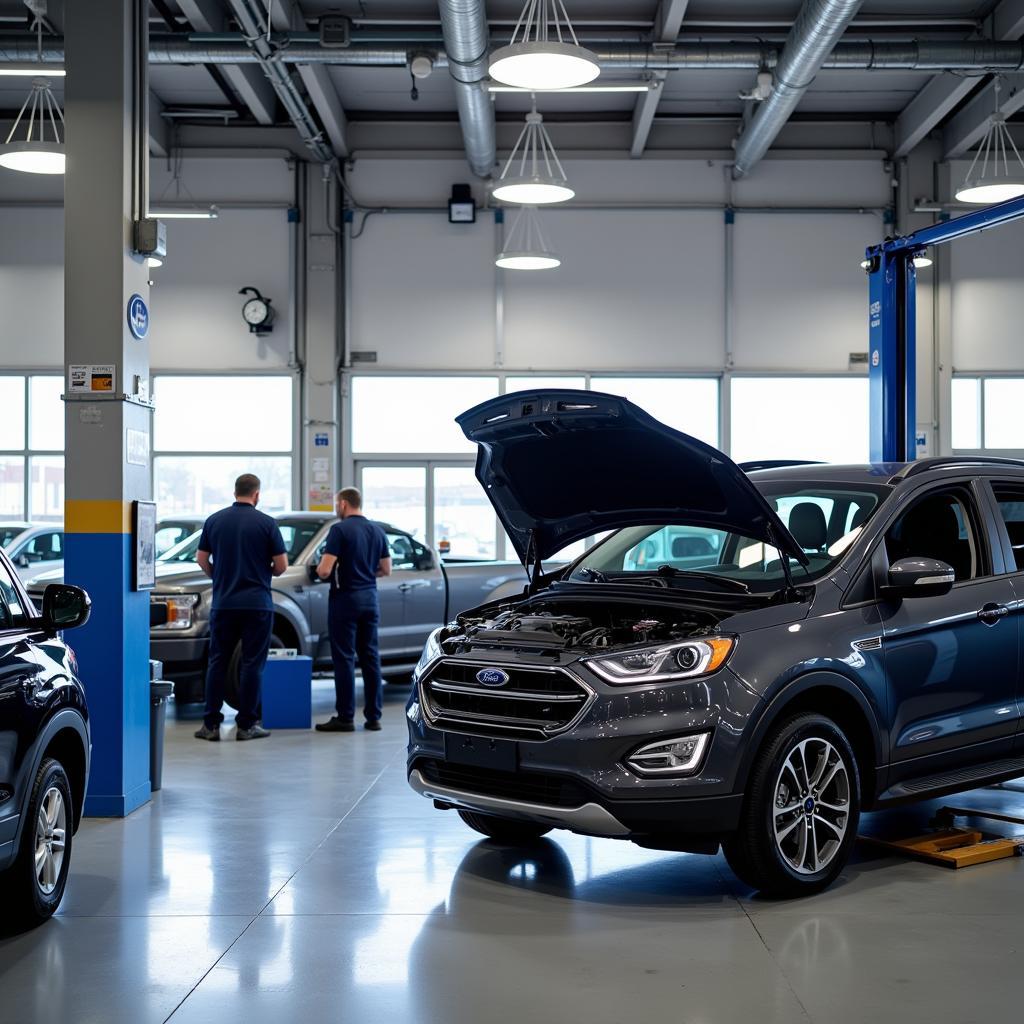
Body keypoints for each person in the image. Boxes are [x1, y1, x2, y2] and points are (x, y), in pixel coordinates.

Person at [193, 473, 288, 742]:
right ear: (256, 494)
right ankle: (247, 724)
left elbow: (201, 559)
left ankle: (210, 725)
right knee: (251, 664)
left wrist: (220, 575)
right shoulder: (267, 523)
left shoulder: (215, 520)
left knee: (217, 662)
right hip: (257, 604)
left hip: (224, 604)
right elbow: (281, 566)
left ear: (235, 491)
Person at [315, 487, 392, 733]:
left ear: (345, 504)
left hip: (345, 600)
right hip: (370, 598)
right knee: (370, 657)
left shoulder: (339, 530)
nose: (337, 508)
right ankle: (373, 718)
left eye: (337, 504)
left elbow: (325, 570)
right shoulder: (377, 530)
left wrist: (319, 570)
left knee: (344, 658)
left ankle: (345, 717)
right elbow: (386, 569)